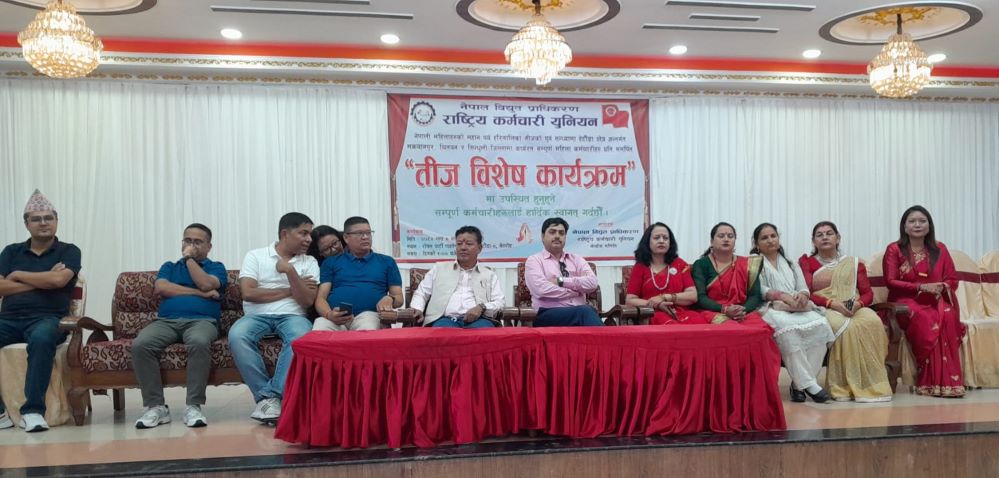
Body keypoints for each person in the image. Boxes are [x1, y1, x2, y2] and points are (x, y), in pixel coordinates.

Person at [131, 224, 228, 429]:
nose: (191, 245)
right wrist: (200, 294)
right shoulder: (170, 267)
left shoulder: (216, 267)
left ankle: (193, 406)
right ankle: (156, 407)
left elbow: (206, 283)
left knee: (199, 341)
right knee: (141, 344)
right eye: (187, 240)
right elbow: (162, 287)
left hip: (202, 321)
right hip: (166, 322)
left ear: (209, 246)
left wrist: (189, 259)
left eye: (197, 242)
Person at [0, 190, 81, 432]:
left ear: (56, 221)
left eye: (48, 218)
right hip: (9, 320)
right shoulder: (11, 251)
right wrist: (44, 279)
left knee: (42, 338)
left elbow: (59, 281)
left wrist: (17, 275)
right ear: (27, 224)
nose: (43, 223)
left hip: (48, 319)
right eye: (36, 219)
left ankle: (33, 412)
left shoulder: (69, 251)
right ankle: (0, 413)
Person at [229, 212, 319, 424]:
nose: (309, 239)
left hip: (292, 315)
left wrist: (290, 271)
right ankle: (268, 399)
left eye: (310, 234)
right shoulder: (256, 256)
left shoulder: (310, 261)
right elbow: (248, 293)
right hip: (256, 316)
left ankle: (269, 397)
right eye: (303, 233)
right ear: (285, 234)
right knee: (237, 335)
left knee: (301, 336)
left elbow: (306, 300)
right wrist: (291, 290)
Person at [799, 221, 892, 402]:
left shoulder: (854, 264)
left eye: (829, 233)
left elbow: (867, 294)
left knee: (872, 321)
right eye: (819, 235)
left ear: (838, 238)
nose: (825, 237)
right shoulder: (807, 262)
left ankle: (872, 384)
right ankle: (845, 385)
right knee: (846, 328)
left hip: (853, 305)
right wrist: (831, 303)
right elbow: (806, 292)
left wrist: (858, 304)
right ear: (813, 241)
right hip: (824, 307)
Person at [883, 205, 965, 398]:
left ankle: (949, 383)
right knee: (926, 317)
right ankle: (929, 381)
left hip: (935, 299)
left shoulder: (940, 249)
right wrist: (920, 287)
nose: (917, 225)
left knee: (947, 314)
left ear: (929, 225)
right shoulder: (895, 249)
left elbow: (952, 279)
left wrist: (941, 287)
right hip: (905, 302)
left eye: (922, 221)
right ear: (904, 227)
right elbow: (890, 281)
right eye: (912, 221)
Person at [752, 223, 835, 403]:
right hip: (771, 307)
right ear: (757, 244)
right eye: (764, 238)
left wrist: (803, 296)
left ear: (778, 238)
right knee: (788, 331)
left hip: (797, 306)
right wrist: (781, 296)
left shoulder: (789, 262)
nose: (770, 240)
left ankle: (799, 385)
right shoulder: (753, 262)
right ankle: (810, 385)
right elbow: (759, 288)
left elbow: (803, 287)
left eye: (773, 236)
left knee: (821, 326)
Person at [313, 217, 403, 331]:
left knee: (367, 326)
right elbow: (321, 298)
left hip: (369, 316)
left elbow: (399, 298)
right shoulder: (330, 262)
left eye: (368, 233)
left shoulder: (387, 262)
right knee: (320, 326)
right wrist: (328, 314)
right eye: (359, 233)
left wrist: (390, 298)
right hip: (336, 318)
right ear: (346, 238)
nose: (365, 237)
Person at [408, 226, 504, 328]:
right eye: (459, 244)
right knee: (442, 331)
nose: (463, 247)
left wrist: (482, 307)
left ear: (479, 248)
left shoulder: (489, 275)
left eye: (469, 244)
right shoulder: (439, 269)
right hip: (445, 320)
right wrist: (418, 308)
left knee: (483, 331)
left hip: (479, 320)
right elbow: (422, 292)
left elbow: (500, 302)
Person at [524, 217, 602, 327]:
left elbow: (592, 283)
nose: (557, 236)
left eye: (561, 233)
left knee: (586, 313)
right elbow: (541, 290)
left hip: (579, 313)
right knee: (585, 312)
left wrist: (560, 281)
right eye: (552, 232)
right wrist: (576, 291)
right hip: (548, 314)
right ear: (542, 236)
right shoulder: (534, 261)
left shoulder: (576, 259)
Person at [690, 222, 769, 330]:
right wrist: (725, 310)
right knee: (730, 329)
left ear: (735, 241)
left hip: (742, 313)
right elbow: (700, 297)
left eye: (730, 236)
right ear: (712, 241)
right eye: (721, 236)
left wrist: (742, 310)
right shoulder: (701, 264)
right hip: (712, 312)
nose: (726, 239)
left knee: (761, 330)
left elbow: (754, 295)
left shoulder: (747, 264)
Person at [625, 222, 703, 325]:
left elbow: (692, 296)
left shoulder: (680, 264)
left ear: (670, 242)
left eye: (665, 238)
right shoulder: (640, 267)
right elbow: (630, 300)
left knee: (701, 324)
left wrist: (666, 297)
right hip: (653, 313)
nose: (661, 241)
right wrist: (657, 304)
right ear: (647, 242)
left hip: (681, 312)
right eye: (656, 238)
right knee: (668, 324)